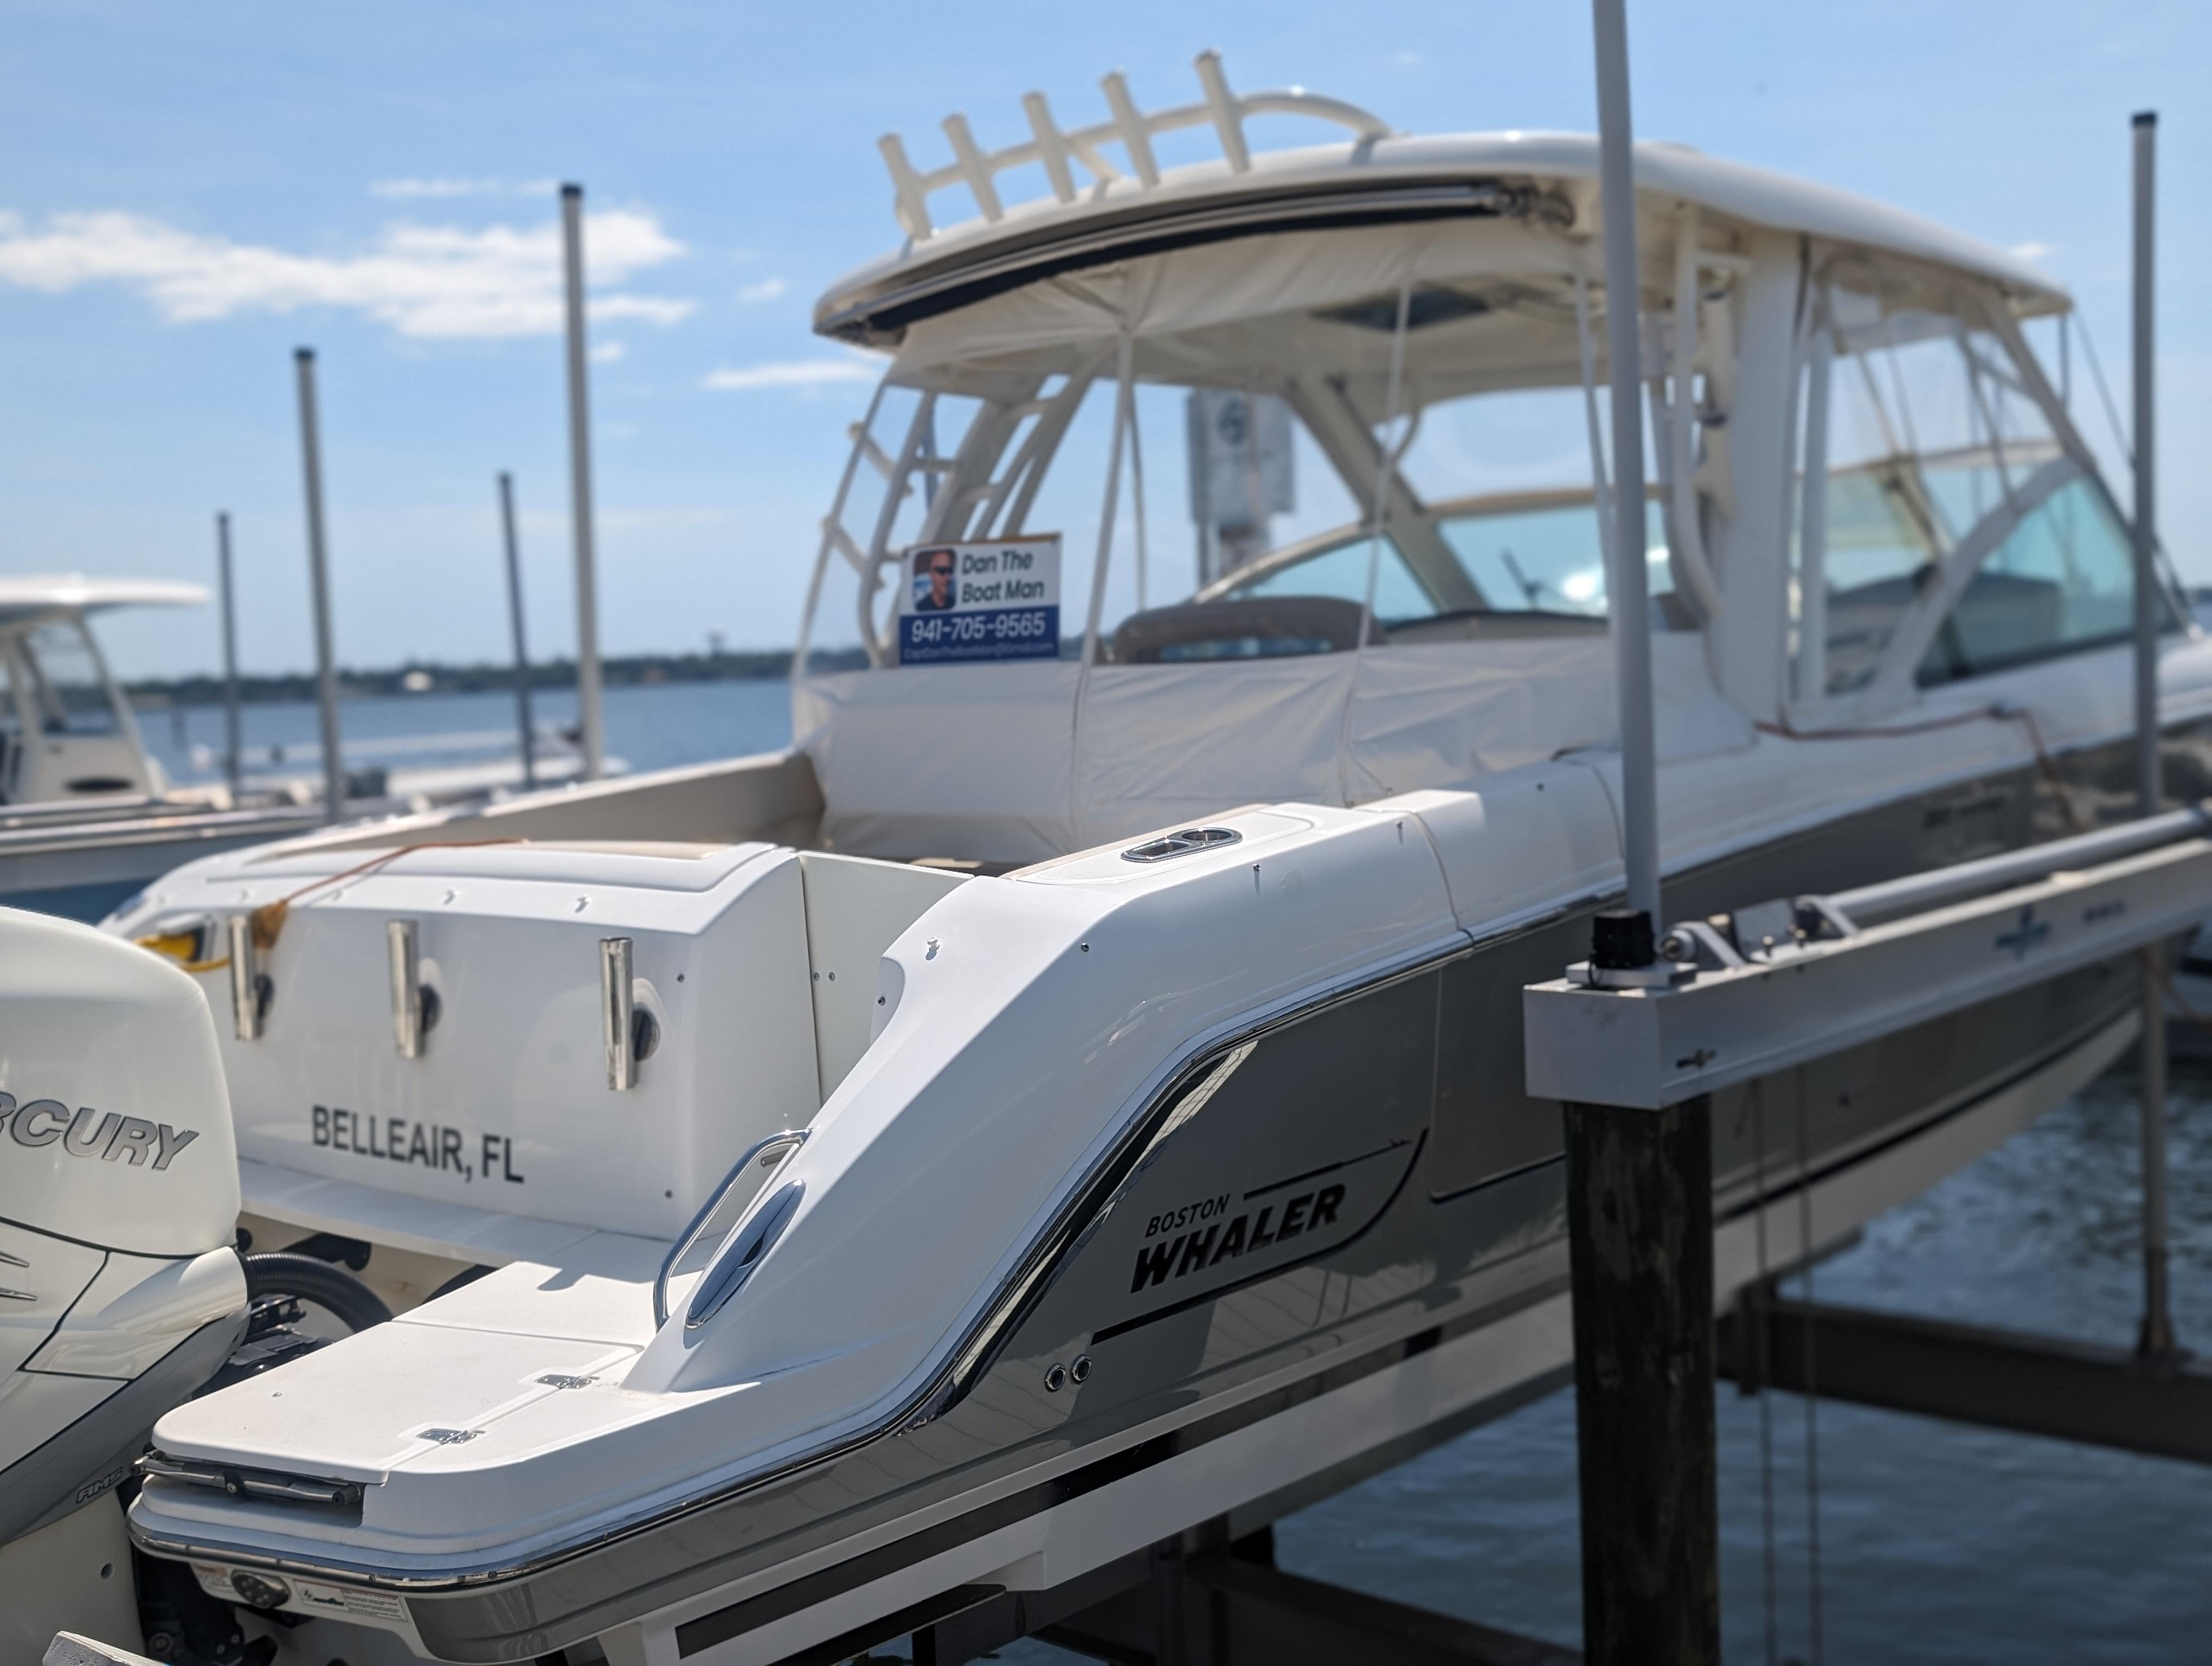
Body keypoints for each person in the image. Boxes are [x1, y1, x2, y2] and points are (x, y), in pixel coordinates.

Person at [912, 547, 956, 611]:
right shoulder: (921, 608)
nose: (948, 577)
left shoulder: (954, 604)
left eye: (950, 571)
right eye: (942, 571)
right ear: (931, 575)